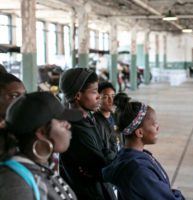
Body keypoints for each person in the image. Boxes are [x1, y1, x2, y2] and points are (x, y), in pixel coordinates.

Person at [0, 91, 82, 200]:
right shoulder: (15, 183)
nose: (68, 125)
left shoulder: (42, 167)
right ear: (42, 133)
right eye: (62, 121)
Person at [102, 93, 186, 200]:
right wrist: (177, 194)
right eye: (154, 124)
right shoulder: (138, 169)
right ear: (140, 133)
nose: (158, 127)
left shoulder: (132, 156)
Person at [59, 68, 117, 200]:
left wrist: (106, 156)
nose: (99, 96)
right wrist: (109, 158)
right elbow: (103, 169)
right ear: (78, 96)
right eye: (94, 92)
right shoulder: (75, 128)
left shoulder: (88, 120)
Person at [94, 81, 123, 150]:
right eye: (105, 97)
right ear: (97, 99)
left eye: (113, 96)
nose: (111, 100)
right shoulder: (95, 122)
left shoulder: (116, 117)